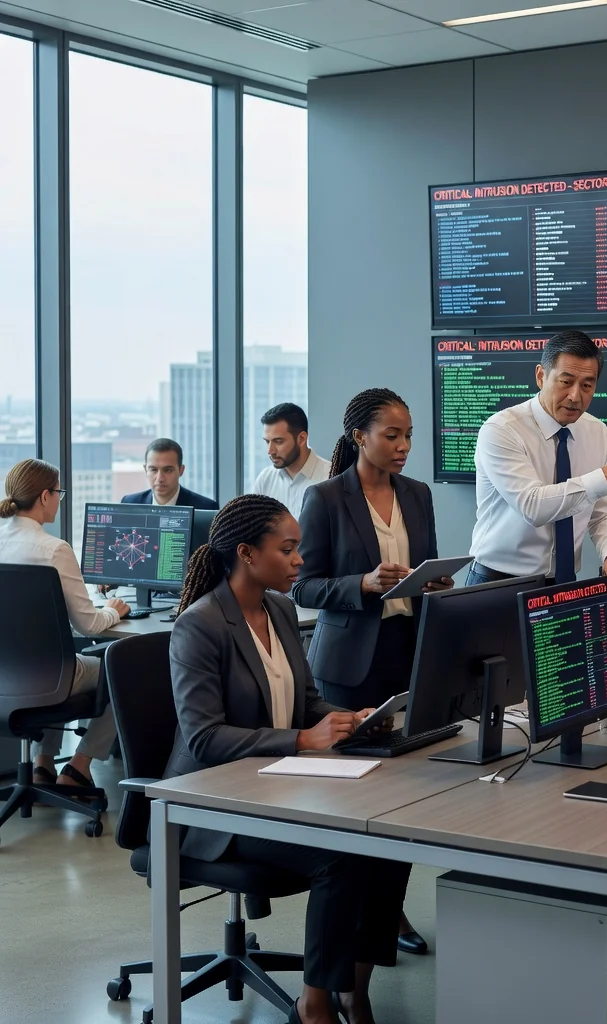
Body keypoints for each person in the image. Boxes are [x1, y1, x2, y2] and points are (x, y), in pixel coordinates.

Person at [166, 494, 410, 1024]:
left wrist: (349, 718)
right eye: (289, 549)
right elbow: (205, 738)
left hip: (280, 784)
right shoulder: (200, 625)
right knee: (339, 855)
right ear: (248, 553)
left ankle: (353, 987)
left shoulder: (278, 608)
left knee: (390, 842)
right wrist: (303, 740)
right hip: (216, 805)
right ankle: (314, 1003)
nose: (300, 560)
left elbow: (304, 700)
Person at [292, 388, 447, 957]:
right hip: (350, 666)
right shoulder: (326, 498)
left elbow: (425, 565)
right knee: (350, 816)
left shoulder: (419, 495)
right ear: (360, 436)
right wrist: (361, 585)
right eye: (392, 435)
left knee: (402, 804)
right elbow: (303, 585)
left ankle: (387, 913)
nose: (405, 446)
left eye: (409, 435)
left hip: (410, 652)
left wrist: (433, 584)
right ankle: (340, 946)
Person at [467, 329, 607, 586]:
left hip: (565, 583)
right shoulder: (502, 430)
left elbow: (605, 512)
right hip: (498, 583)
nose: (575, 396)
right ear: (541, 376)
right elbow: (533, 505)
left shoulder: (597, 431)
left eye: (587, 385)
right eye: (565, 382)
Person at [0, 459, 130, 793]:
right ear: (44, 497)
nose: (59, 499)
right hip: (48, 673)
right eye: (58, 493)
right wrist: (115, 610)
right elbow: (89, 625)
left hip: (4, 672)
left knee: (57, 661)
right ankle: (77, 767)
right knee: (119, 670)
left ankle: (43, 767)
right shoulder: (55, 550)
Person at [251, 402, 331, 520]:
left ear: (302, 439)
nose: (270, 451)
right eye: (267, 442)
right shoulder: (265, 479)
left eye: (278, 441)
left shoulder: (331, 476)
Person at [122, 438, 217, 509]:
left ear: (181, 470)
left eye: (168, 470)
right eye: (153, 470)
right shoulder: (129, 504)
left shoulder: (206, 507)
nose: (160, 479)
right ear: (146, 470)